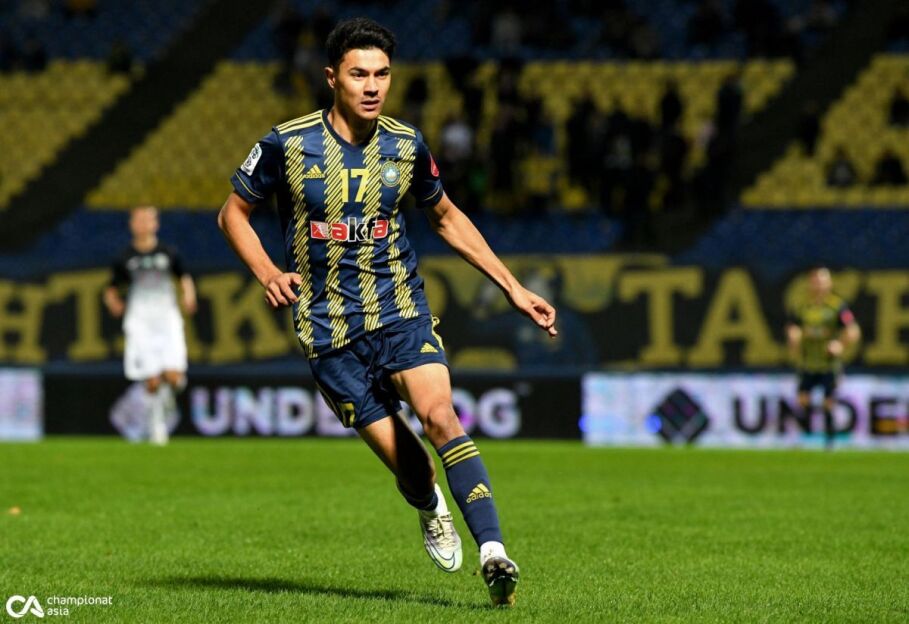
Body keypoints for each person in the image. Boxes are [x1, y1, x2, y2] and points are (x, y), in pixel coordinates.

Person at [217, 18, 557, 607]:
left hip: (400, 312)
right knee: (416, 471)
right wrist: (269, 273)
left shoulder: (406, 145)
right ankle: (430, 506)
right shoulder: (286, 144)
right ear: (332, 78)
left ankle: (494, 553)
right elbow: (232, 214)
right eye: (359, 75)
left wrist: (511, 286)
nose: (372, 86)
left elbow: (445, 216)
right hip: (328, 333)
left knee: (442, 417)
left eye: (382, 74)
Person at [103, 206, 197, 445]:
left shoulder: (168, 253)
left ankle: (168, 399)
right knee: (152, 380)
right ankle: (157, 427)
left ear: (156, 224)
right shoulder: (125, 258)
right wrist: (114, 302)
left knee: (174, 378)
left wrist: (189, 295)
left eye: (148, 219)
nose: (144, 224)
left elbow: (183, 276)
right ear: (131, 224)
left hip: (167, 319)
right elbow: (111, 288)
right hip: (140, 321)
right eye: (139, 220)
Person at [785, 267, 860, 448]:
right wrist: (794, 337)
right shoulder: (803, 307)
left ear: (829, 284)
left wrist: (840, 344)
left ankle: (830, 441)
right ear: (810, 284)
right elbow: (793, 327)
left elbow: (853, 330)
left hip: (828, 363)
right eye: (816, 282)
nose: (819, 285)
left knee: (828, 402)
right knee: (803, 400)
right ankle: (806, 436)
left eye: (822, 281)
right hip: (808, 362)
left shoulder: (837, 306)